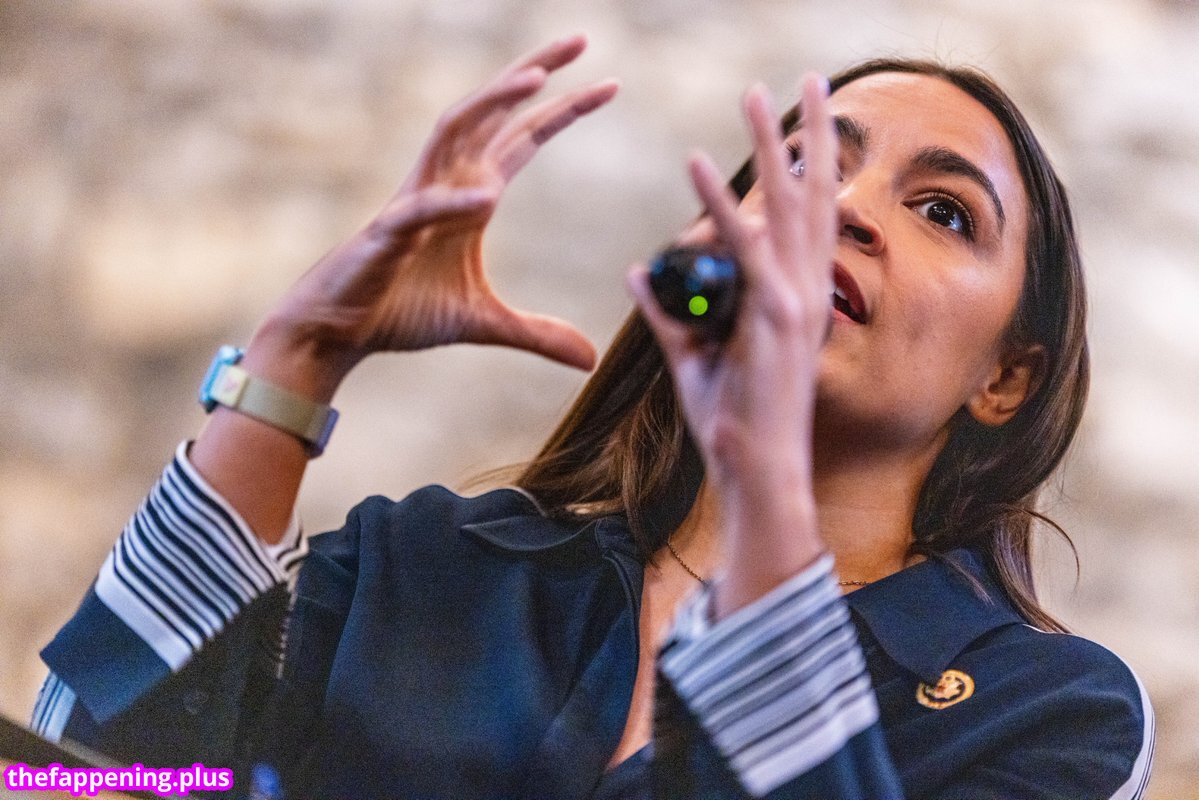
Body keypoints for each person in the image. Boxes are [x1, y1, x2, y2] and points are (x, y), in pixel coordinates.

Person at [31, 33, 1153, 799]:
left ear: (1005, 380)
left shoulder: (1049, 713)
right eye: (802, 166)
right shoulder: (429, 564)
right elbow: (80, 768)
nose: (841, 210)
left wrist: (761, 484)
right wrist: (295, 359)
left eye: (942, 211)